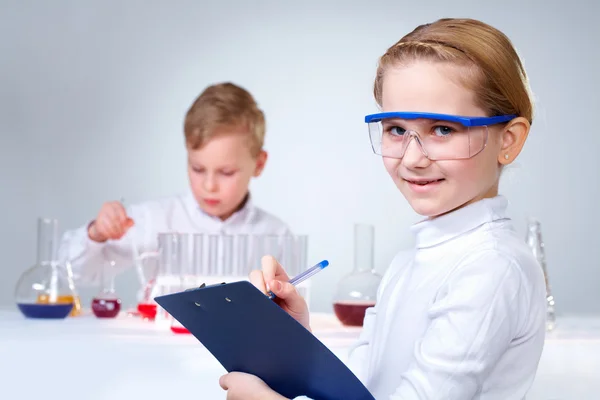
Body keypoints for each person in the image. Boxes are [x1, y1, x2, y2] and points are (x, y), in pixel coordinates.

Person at [218, 18, 547, 400]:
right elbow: (360, 392)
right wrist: (295, 343)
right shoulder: (408, 264)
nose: (412, 158)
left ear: (508, 139)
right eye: (395, 128)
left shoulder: (493, 268)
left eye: (443, 129)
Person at [59, 82, 291, 284]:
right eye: (198, 169)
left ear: (259, 164)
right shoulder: (154, 219)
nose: (209, 185)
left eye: (226, 172)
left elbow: (290, 309)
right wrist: (97, 233)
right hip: (163, 336)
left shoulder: (276, 235)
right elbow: (74, 274)